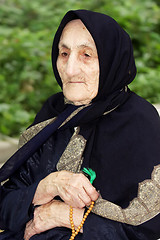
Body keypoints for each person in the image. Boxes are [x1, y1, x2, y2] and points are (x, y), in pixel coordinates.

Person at [0, 9, 160, 240]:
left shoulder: (140, 124)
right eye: (64, 53)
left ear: (112, 60)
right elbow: (5, 206)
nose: (70, 69)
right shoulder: (56, 115)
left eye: (86, 55)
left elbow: (147, 230)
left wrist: (63, 215)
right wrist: (47, 187)